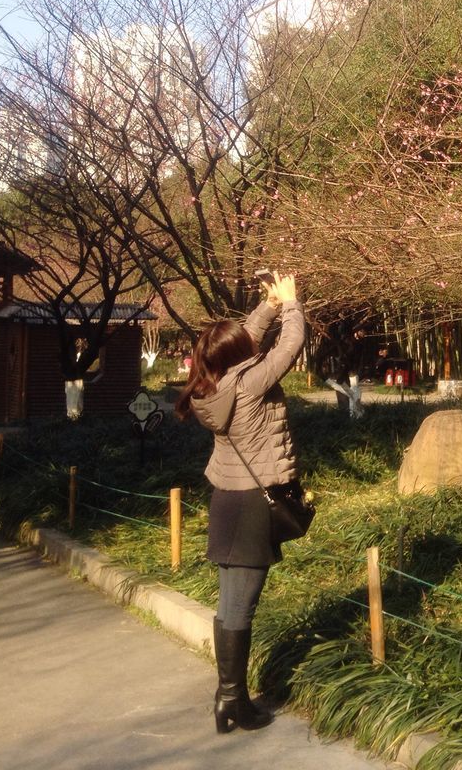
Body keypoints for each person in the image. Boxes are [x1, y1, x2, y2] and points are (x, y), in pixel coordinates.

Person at [174, 271, 304, 734]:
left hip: (226, 500)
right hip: (252, 505)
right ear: (235, 357)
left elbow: (242, 339)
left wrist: (267, 305)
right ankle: (234, 700)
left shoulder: (212, 383)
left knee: (229, 601)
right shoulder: (250, 383)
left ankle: (227, 693)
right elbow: (288, 347)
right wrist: (289, 304)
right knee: (241, 606)